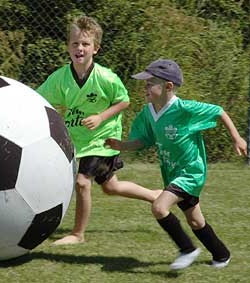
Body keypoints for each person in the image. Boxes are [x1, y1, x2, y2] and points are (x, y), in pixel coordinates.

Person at [105, 59, 247, 270]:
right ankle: (221, 254)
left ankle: (187, 249)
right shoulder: (149, 112)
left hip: (191, 172)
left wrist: (237, 138)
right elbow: (144, 140)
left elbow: (219, 111)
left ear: (168, 87)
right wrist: (121, 145)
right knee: (196, 222)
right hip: (172, 173)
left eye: (149, 83)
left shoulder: (184, 109)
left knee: (159, 207)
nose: (145, 87)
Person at [37, 15, 161, 245]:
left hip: (102, 140)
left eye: (85, 44)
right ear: (68, 47)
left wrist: (100, 117)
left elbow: (124, 101)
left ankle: (78, 234)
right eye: (75, 43)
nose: (79, 48)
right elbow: (37, 97)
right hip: (78, 141)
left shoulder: (105, 77)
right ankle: (153, 194)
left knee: (82, 182)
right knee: (111, 187)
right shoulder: (60, 78)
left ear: (96, 48)